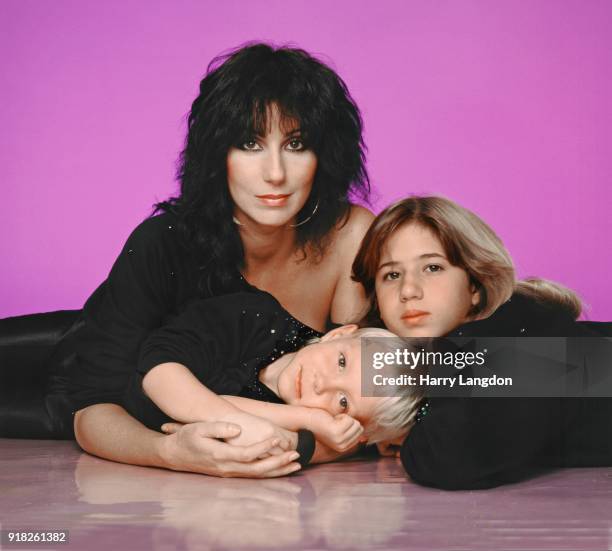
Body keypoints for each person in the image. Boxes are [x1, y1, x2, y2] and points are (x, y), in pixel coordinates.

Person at [68, 42, 375, 478]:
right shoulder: (163, 243)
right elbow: (88, 413)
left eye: (297, 143)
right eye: (249, 143)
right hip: (77, 360)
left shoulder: (351, 235)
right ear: (218, 157)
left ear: (324, 156)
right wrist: (171, 452)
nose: (275, 173)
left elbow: (390, 382)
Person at [352, 196, 612, 489]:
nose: (408, 290)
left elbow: (450, 458)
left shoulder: (523, 335)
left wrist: (407, 430)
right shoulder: (457, 359)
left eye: (433, 268)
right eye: (392, 275)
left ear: (474, 285)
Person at [120, 290, 419, 466]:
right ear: (339, 334)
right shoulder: (256, 317)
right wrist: (311, 419)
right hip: (96, 356)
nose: (322, 383)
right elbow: (159, 375)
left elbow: (213, 410)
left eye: (343, 402)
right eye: (341, 362)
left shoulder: (303, 425)